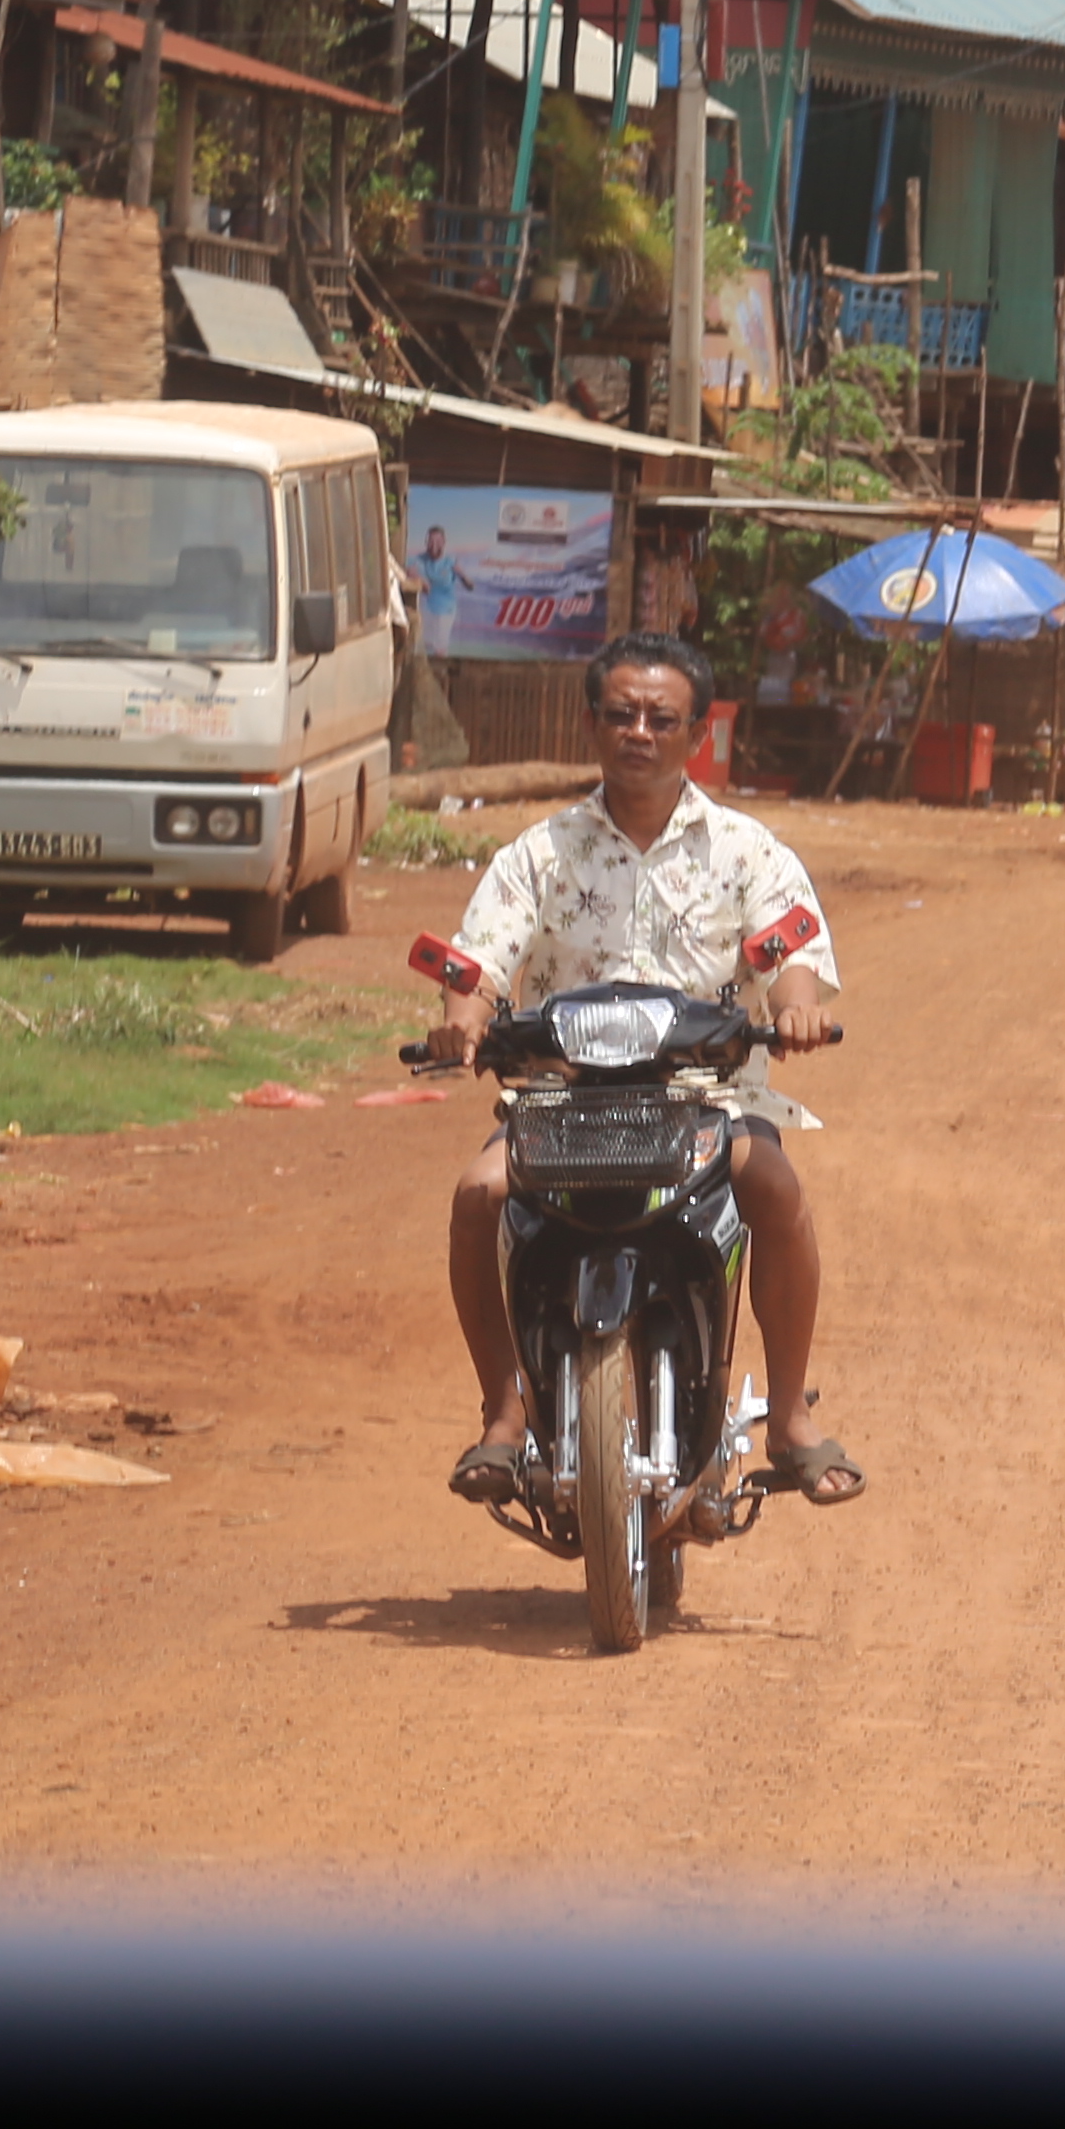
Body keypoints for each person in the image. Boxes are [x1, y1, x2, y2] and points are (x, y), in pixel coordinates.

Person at [429, 631, 868, 1513]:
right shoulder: (537, 854)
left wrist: (797, 1009)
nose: (639, 731)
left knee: (776, 1187)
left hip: (704, 1100)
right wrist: (462, 1023)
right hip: (558, 1104)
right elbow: (477, 962)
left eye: (660, 718)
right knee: (477, 1199)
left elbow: (789, 951)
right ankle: (507, 1414)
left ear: (696, 734)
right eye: (620, 714)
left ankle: (787, 1421)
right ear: (594, 725)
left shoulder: (748, 853)